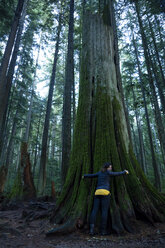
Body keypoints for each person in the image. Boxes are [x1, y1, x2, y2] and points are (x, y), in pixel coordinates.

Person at [83, 162, 129, 235]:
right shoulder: (108, 173)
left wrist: (84, 176)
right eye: (110, 167)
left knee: (94, 210)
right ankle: (103, 231)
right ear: (107, 168)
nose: (111, 168)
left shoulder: (100, 173)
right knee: (104, 211)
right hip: (105, 193)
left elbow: (91, 175)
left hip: (97, 192)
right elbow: (117, 174)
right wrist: (124, 172)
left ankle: (91, 230)